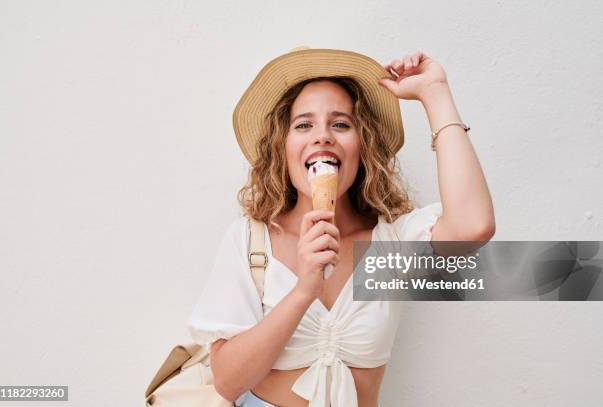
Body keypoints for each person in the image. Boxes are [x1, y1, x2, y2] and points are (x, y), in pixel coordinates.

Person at [186, 47, 495, 407]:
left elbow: (474, 227)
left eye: (341, 124)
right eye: (303, 125)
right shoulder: (251, 240)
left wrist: (435, 93)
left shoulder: (390, 243)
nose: (323, 136)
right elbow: (227, 381)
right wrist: (304, 289)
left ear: (363, 147)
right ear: (282, 148)